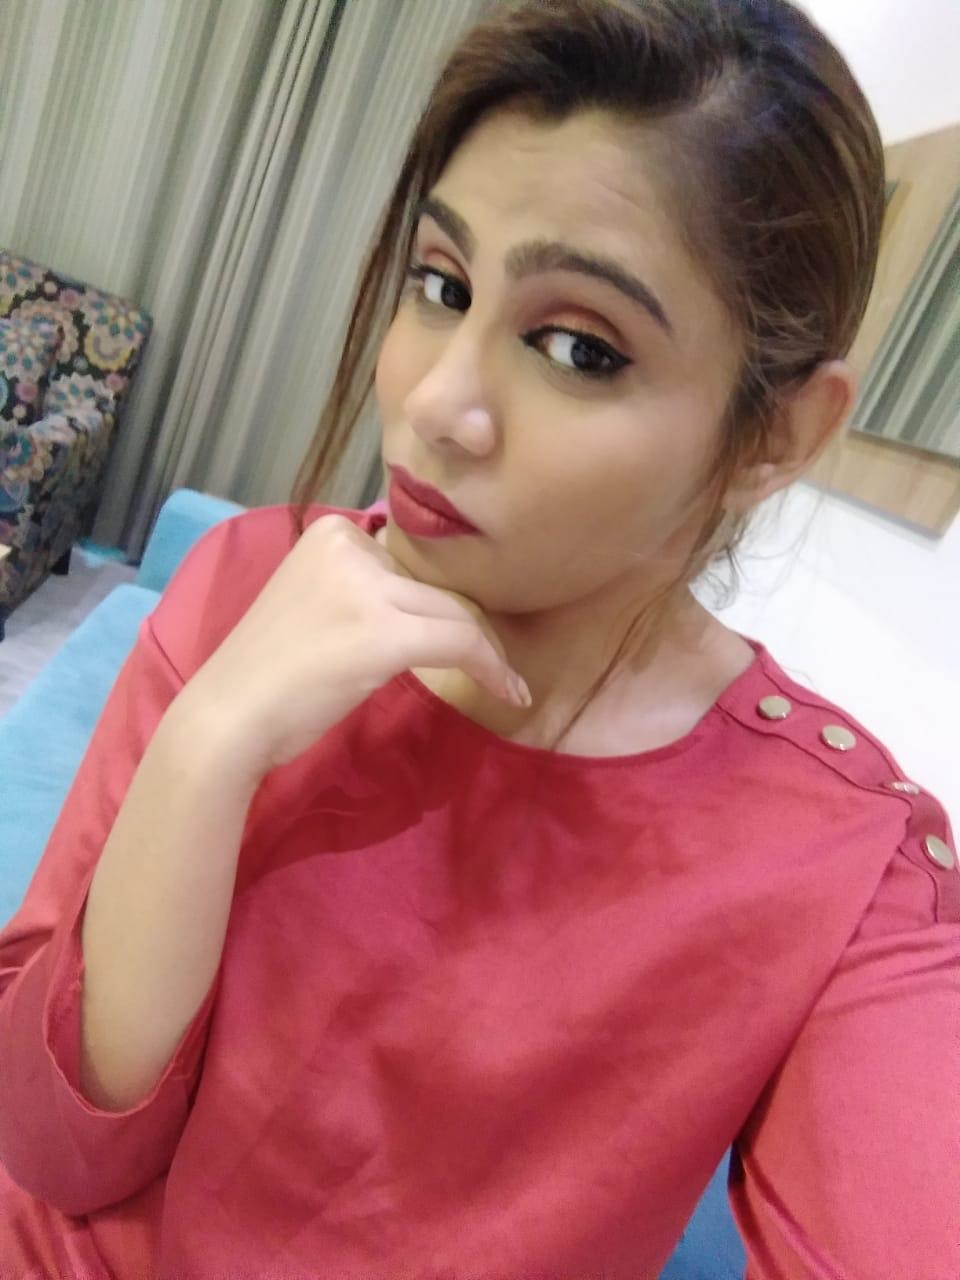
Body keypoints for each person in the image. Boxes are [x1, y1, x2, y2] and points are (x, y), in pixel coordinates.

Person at [1, 0, 957, 1276]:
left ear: (777, 434)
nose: (439, 402)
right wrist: (208, 743)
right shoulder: (250, 580)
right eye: (441, 284)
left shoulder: (854, 870)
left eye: (579, 348)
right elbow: (50, 1147)